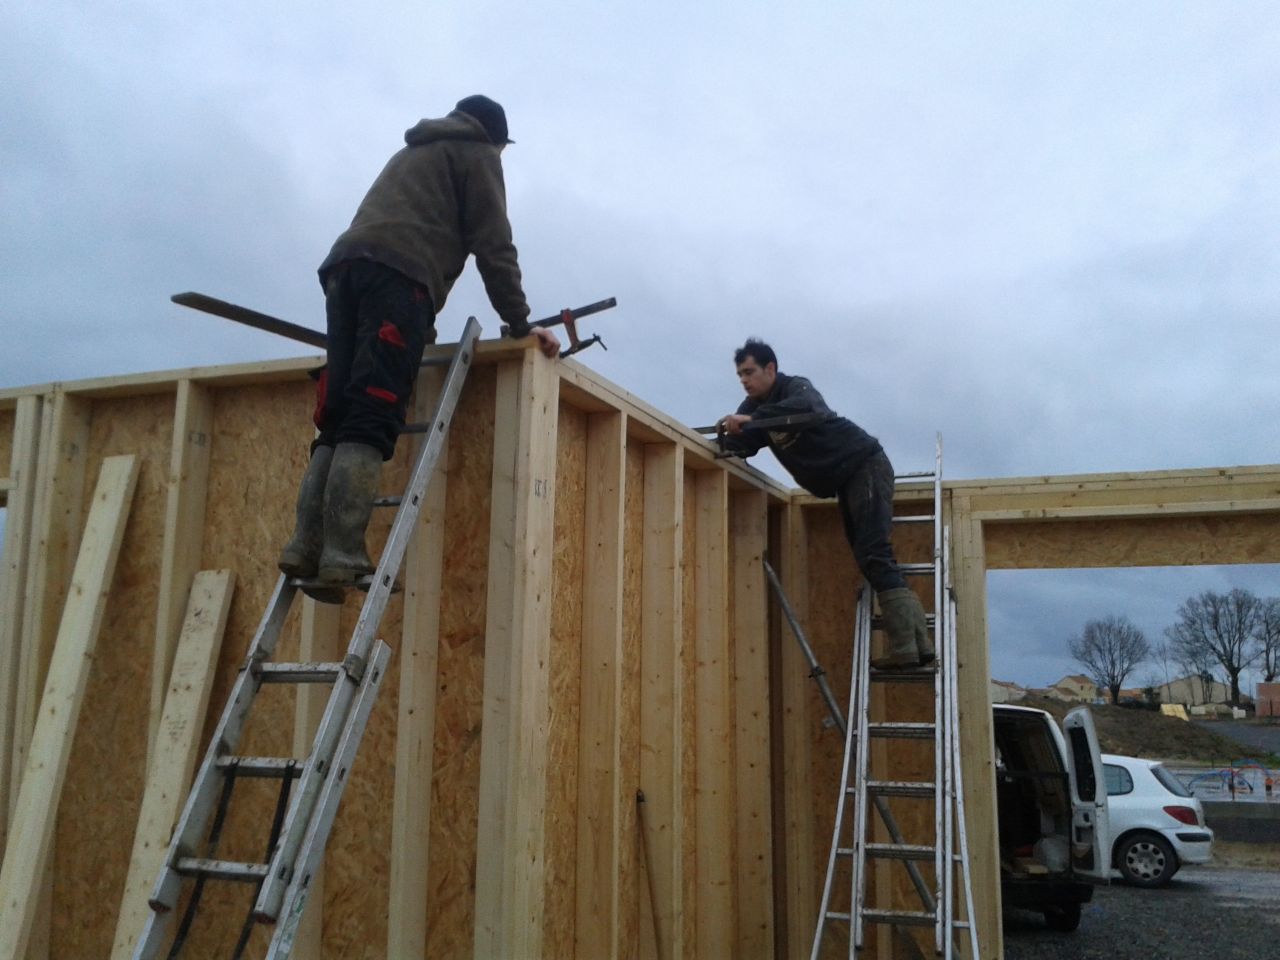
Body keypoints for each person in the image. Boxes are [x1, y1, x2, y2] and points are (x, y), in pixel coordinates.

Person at [279, 95, 559, 600]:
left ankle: (305, 545)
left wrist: (413, 325)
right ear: (496, 138)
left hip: (346, 270)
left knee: (339, 413)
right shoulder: (478, 155)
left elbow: (399, 228)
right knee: (373, 412)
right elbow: (493, 243)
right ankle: (342, 554)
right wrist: (519, 323)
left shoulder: (412, 153)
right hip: (399, 278)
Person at [718, 338, 933, 668]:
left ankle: (909, 645)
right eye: (740, 376)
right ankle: (918, 645)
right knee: (867, 554)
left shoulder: (795, 388)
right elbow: (745, 443)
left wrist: (753, 421)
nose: (744, 381)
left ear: (770, 369)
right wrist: (728, 434)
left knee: (874, 551)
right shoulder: (753, 409)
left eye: (749, 372)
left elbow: (810, 410)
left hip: (865, 463)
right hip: (844, 479)